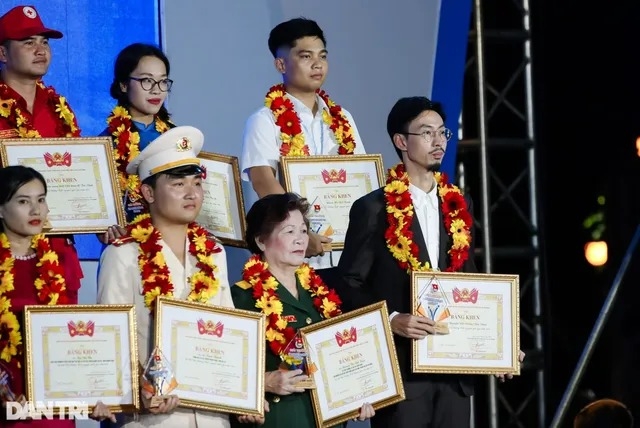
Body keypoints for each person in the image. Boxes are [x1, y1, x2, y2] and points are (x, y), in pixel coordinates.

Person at [337, 97, 524, 428]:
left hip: (454, 369)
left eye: (442, 132)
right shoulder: (373, 208)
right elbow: (349, 282)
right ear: (401, 141)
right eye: (426, 133)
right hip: (404, 373)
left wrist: (500, 345)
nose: (438, 141)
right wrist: (392, 319)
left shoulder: (459, 202)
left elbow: (468, 277)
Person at [97, 126, 265, 427]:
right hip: (155, 417)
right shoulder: (123, 254)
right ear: (148, 192)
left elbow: (228, 327)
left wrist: (246, 393)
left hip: (212, 415)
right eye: (178, 184)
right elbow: (110, 341)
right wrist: (138, 390)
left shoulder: (213, 251)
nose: (192, 193)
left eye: (197, 183)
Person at [231, 192, 374, 428]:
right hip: (280, 418)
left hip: (326, 419)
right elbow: (225, 371)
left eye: (304, 231)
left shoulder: (320, 290)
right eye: (289, 232)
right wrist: (264, 382)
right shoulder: (241, 296)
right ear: (261, 241)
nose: (300, 240)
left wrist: (356, 394)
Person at [240, 17, 366, 269]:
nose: (317, 64)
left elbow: (362, 174)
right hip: (294, 253)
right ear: (281, 64)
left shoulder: (342, 118)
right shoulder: (264, 120)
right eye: (306, 56)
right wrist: (301, 233)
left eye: (322, 56)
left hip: (346, 251)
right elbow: (263, 181)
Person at [0, 165, 114, 427]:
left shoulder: (60, 259)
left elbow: (71, 337)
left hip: (54, 403)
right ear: (1, 209)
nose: (36, 210)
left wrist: (93, 395)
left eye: (41, 199)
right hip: (10, 400)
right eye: (23, 201)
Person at [0, 5, 83, 284]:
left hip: (57, 255)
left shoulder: (60, 109)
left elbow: (80, 176)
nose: (40, 50)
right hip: (6, 256)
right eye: (28, 42)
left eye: (44, 42)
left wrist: (100, 217)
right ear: (2, 53)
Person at [101, 42, 176, 227]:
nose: (156, 90)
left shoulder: (176, 138)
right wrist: (103, 226)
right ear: (124, 84)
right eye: (147, 80)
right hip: (129, 238)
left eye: (163, 81)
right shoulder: (106, 143)